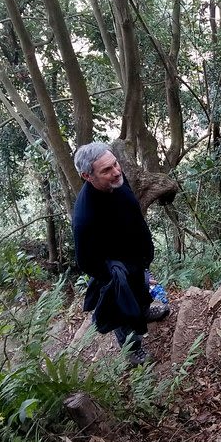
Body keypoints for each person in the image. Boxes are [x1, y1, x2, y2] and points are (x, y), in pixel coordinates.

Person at [72, 142, 169, 366]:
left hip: (136, 257)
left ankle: (144, 311)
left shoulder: (117, 181)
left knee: (141, 290)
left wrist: (144, 255)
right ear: (88, 176)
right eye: (106, 170)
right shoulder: (84, 216)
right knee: (122, 308)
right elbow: (85, 260)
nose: (116, 171)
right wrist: (115, 275)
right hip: (115, 270)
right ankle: (132, 351)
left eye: (115, 164)